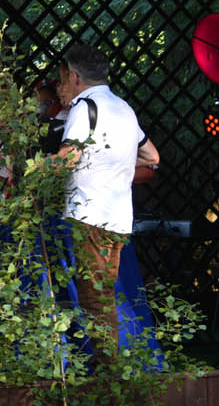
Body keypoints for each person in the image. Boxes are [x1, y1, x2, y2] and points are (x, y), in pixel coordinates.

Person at [53, 42, 161, 345]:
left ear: (74, 77)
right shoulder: (123, 108)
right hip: (118, 219)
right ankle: (114, 372)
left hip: (90, 216)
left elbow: (67, 158)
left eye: (62, 80)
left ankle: (110, 379)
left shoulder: (85, 107)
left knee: (94, 302)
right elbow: (152, 156)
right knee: (103, 296)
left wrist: (31, 170)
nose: (62, 86)